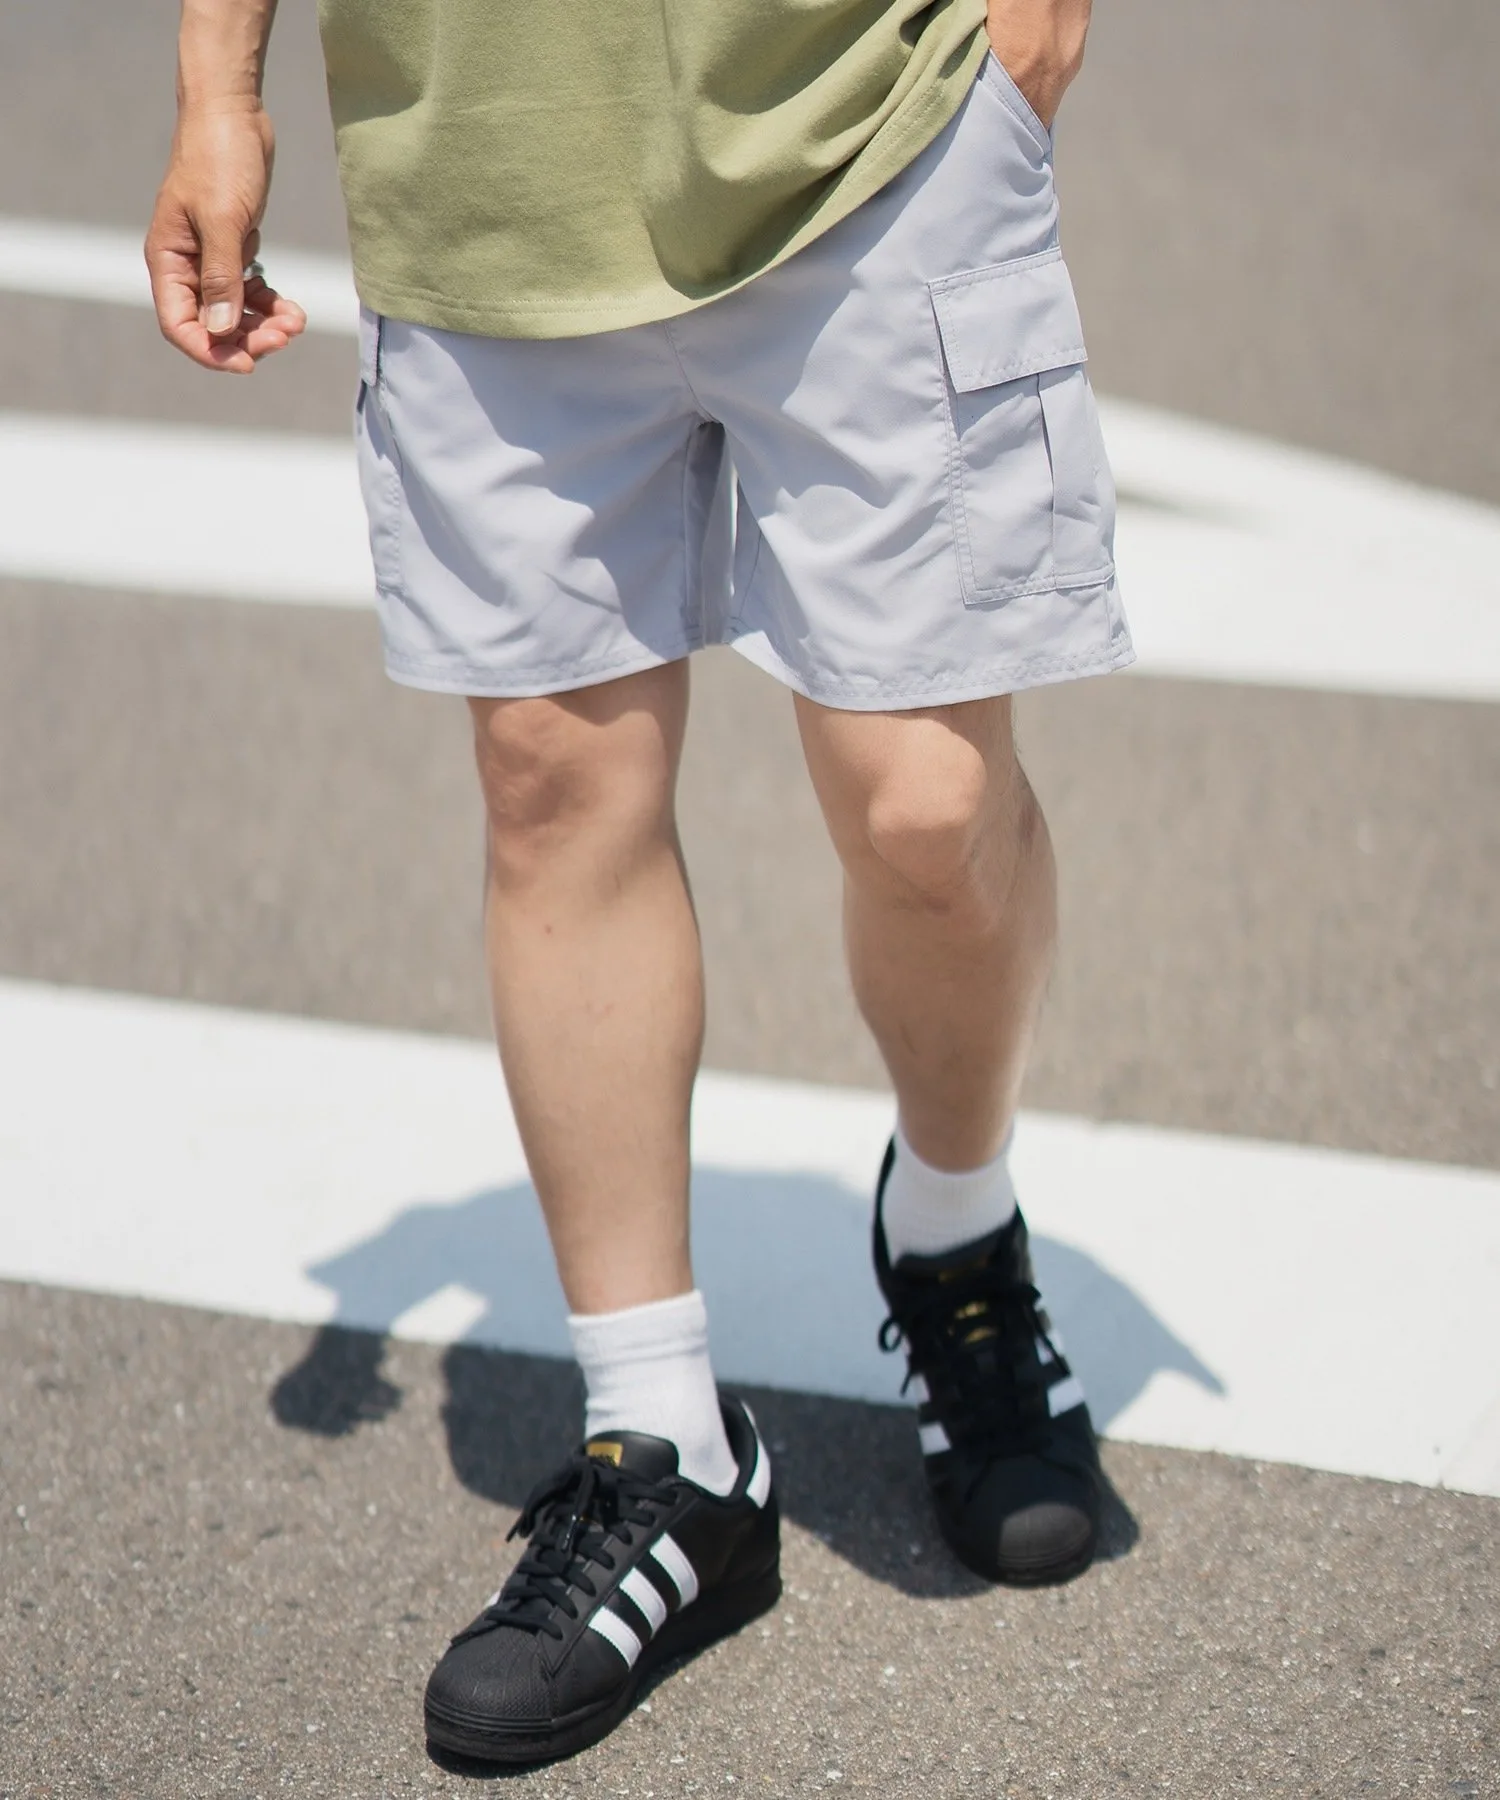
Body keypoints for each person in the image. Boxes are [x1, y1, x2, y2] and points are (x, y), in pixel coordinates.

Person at [147, 0, 1128, 1767]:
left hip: (871, 118)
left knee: (929, 805)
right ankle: (665, 1441)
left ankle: (955, 1234)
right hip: (481, 163)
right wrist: (220, 84)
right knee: (551, 782)